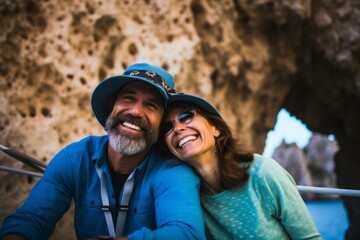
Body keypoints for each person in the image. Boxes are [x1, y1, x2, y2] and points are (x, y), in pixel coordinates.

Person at [0, 63, 206, 240]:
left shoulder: (172, 170)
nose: (135, 111)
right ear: (111, 108)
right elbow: (31, 221)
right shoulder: (75, 158)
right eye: (128, 98)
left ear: (161, 125)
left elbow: (186, 233)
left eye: (151, 105)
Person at [161, 92, 322, 239]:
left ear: (215, 128)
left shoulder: (262, 172)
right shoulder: (184, 197)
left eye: (186, 116)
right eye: (168, 127)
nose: (177, 128)